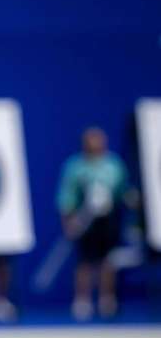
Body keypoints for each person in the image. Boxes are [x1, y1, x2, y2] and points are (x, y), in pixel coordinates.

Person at [56, 126, 132, 321]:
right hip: (84, 221)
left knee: (108, 260)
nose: (96, 144)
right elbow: (67, 196)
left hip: (108, 220)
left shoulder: (114, 165)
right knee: (85, 261)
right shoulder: (75, 166)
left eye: (99, 140)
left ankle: (107, 300)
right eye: (91, 140)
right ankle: (83, 301)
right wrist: (69, 220)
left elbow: (123, 191)